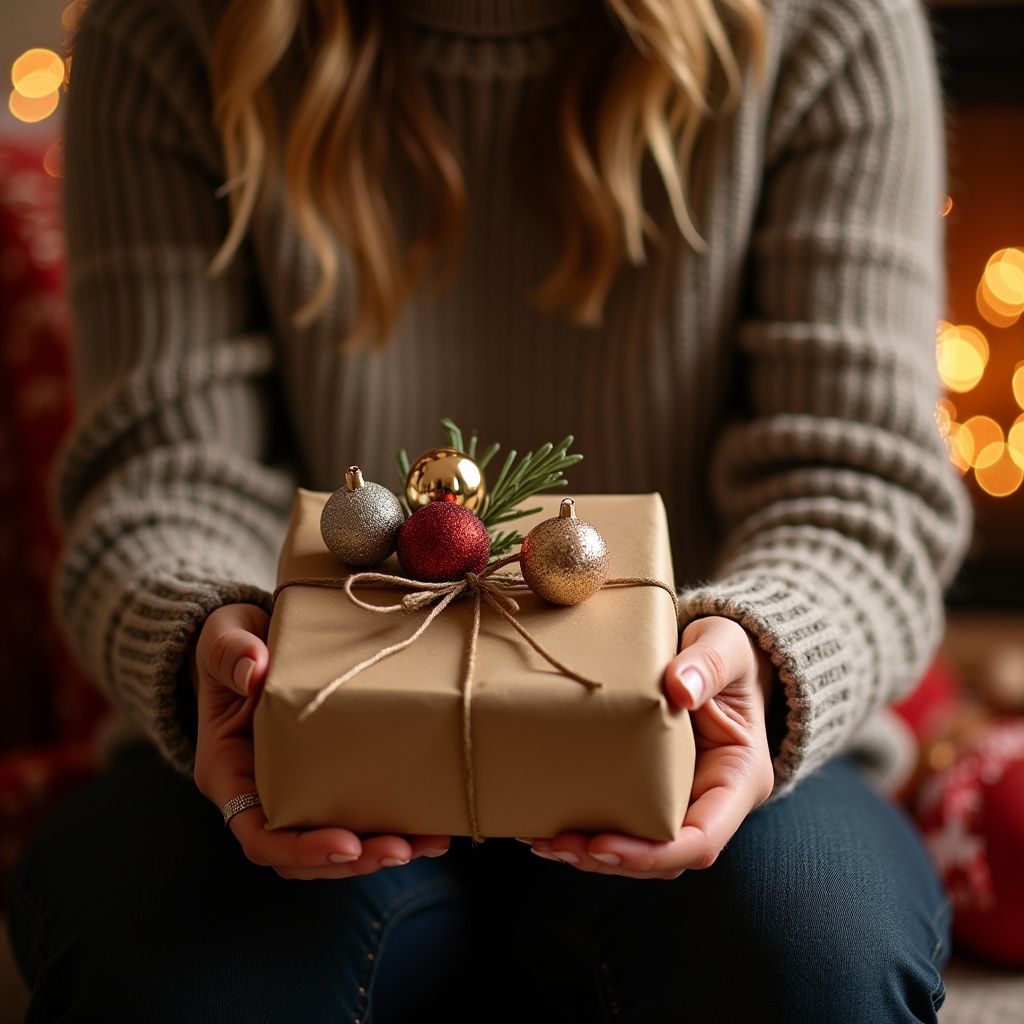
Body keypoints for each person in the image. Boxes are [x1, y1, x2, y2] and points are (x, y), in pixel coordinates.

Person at [5, 0, 972, 1020]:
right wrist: (208, 642)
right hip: (289, 745)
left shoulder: (829, 21)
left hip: (701, 747)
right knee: (172, 977)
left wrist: (759, 661)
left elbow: (858, 489)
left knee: (813, 957)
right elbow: (165, 473)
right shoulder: (169, 24)